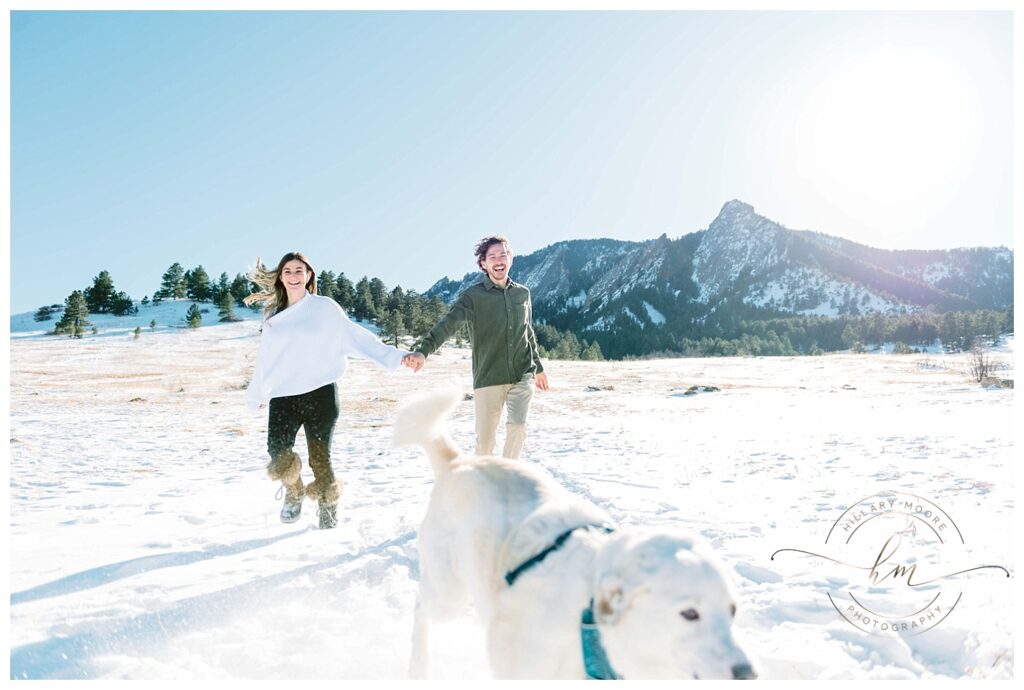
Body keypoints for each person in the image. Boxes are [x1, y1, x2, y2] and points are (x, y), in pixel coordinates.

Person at [245, 252, 414, 529]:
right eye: (288, 271)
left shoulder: (324, 309)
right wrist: (257, 393)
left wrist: (395, 356)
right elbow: (266, 358)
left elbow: (357, 337)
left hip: (320, 393)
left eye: (299, 270)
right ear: (280, 277)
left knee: (319, 457)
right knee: (277, 451)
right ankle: (294, 490)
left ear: (309, 275)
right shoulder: (273, 316)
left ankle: (327, 504)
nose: (294, 276)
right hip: (284, 396)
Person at [403, 236, 548, 459]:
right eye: (492, 257)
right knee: (485, 445)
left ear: (510, 259)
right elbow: (448, 325)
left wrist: (537, 367)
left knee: (518, 427)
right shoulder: (473, 296)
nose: (499, 260)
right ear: (483, 264)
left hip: (522, 373)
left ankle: (507, 476)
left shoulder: (523, 294)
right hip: (489, 376)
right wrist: (423, 351)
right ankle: (484, 483)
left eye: (503, 255)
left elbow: (527, 332)